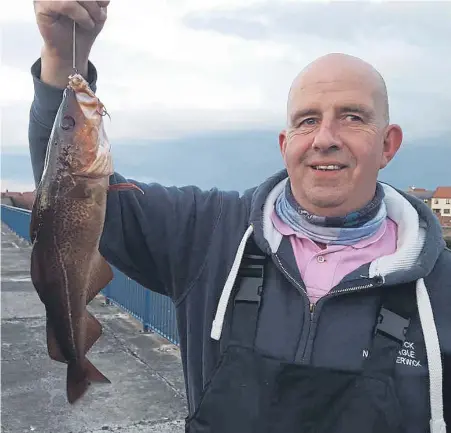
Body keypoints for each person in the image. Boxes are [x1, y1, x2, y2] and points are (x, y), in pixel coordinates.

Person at [29, 2, 450, 432]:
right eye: (308, 120)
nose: (325, 138)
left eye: (352, 117)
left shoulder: (441, 283)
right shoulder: (207, 231)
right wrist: (63, 57)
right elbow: (65, 192)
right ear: (285, 143)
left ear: (388, 144)